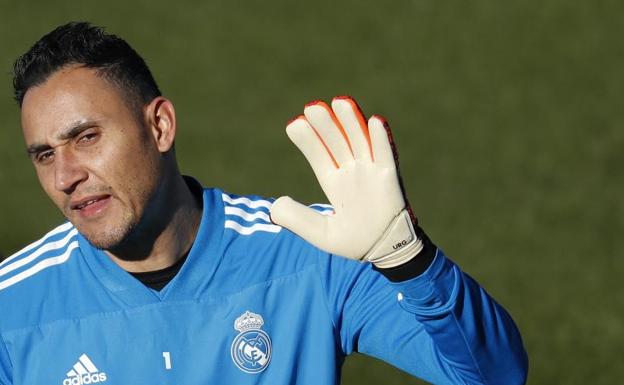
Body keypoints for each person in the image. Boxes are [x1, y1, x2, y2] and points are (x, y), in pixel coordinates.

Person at [0, 22, 528, 385]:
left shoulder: (316, 252)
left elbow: (495, 376)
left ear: (159, 126)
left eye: (87, 137)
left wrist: (407, 260)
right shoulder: (11, 309)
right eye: (44, 155)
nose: (66, 175)